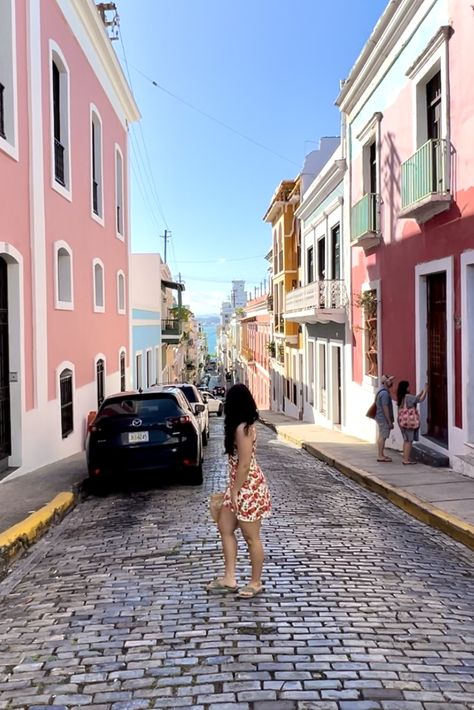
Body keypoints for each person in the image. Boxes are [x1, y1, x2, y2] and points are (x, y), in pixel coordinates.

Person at [207, 383, 271, 598]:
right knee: (225, 527)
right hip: (238, 486)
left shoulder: (243, 428)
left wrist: (234, 492)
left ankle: (255, 582)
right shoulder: (241, 426)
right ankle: (229, 578)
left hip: (248, 488)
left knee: (251, 537)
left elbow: (244, 464)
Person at [396, 380, 428, 464]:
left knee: (405, 440)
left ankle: (405, 458)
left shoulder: (401, 397)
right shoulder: (408, 396)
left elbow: (416, 399)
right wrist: (426, 391)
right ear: (406, 388)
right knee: (409, 441)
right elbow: (420, 400)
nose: (409, 388)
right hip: (409, 422)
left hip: (402, 421)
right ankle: (406, 460)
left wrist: (421, 392)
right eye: (408, 386)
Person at [375, 374, 395, 462]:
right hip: (383, 418)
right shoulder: (384, 393)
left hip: (380, 417)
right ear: (386, 382)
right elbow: (385, 407)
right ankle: (380, 455)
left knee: (381, 436)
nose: (392, 383)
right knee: (383, 437)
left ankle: (381, 454)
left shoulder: (381, 390)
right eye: (390, 381)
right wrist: (389, 421)